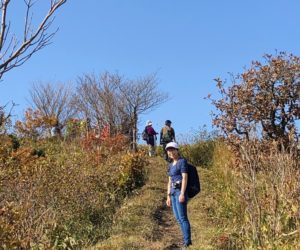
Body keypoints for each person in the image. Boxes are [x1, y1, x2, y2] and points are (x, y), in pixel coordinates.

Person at [165, 142, 192, 248]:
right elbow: (169, 181)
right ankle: (185, 239)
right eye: (168, 150)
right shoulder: (170, 165)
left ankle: (187, 241)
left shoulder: (182, 162)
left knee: (183, 217)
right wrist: (168, 196)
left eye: (172, 149)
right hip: (172, 193)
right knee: (177, 218)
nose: (170, 152)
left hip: (180, 192)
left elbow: (185, 177)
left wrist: (182, 193)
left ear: (177, 150)